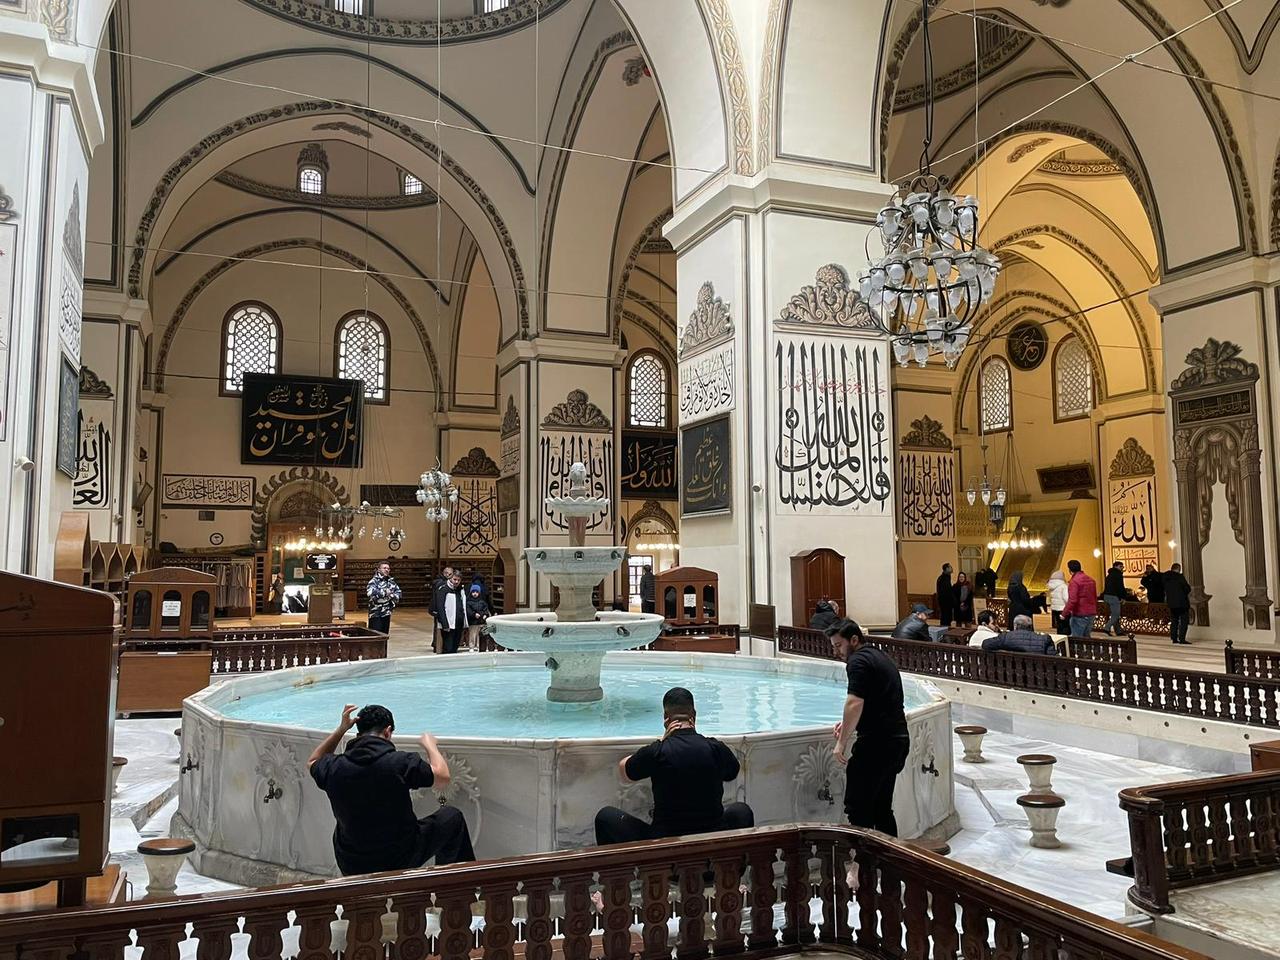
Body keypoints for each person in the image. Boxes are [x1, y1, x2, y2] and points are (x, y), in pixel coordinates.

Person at [308, 704, 474, 875]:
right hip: (398, 858)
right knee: (452, 818)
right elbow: (442, 777)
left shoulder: (335, 766)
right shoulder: (399, 763)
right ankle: (456, 886)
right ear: (387, 732)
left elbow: (313, 761)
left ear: (358, 735)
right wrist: (429, 745)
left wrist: (341, 730)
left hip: (352, 863)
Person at [593, 687, 753, 844]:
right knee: (741, 810)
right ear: (694, 715)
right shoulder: (716, 748)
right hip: (710, 837)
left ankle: (628, 870)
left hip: (665, 841)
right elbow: (732, 773)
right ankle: (730, 868)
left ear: (665, 717)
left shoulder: (658, 751)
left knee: (605, 816)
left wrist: (662, 741)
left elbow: (624, 771)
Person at [826, 619, 910, 836]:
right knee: (882, 808)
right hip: (897, 740)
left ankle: (862, 866)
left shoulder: (858, 662)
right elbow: (878, 701)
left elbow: (855, 702)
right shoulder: (878, 655)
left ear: (854, 640)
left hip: (877, 745)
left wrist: (841, 743)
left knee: (858, 808)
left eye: (838, 646)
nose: (836, 652)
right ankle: (889, 863)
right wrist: (847, 724)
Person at [983, 615, 1058, 655]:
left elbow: (985, 644)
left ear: (1015, 626)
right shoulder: (1044, 639)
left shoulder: (1005, 637)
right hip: (1037, 678)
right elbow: (1052, 659)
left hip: (1012, 676)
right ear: (1031, 626)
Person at [1061, 559, 1098, 637]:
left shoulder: (1074, 581)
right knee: (1086, 637)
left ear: (1070, 570)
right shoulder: (1091, 580)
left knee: (1077, 638)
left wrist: (1064, 614)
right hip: (1091, 612)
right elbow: (1094, 597)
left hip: (1080, 613)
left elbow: (1073, 600)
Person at [434, 571, 468, 654]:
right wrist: (444, 624)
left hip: (458, 623)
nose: (456, 582)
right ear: (450, 578)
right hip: (448, 624)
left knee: (455, 647)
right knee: (448, 647)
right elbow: (440, 608)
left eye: (458, 580)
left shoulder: (460, 590)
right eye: (454, 579)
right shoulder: (443, 589)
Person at [366, 562, 401, 634]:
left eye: (388, 568)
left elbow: (398, 593)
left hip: (386, 613)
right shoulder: (373, 581)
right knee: (375, 635)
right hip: (375, 614)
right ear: (379, 570)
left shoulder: (391, 582)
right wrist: (385, 592)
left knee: (385, 635)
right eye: (384, 568)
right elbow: (370, 593)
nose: (387, 570)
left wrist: (390, 595)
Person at [1164, 562, 1191, 645]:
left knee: (1174, 620)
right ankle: (1182, 639)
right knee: (1184, 621)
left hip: (1171, 603)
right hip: (1182, 603)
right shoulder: (1180, 577)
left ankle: (1174, 638)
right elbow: (1187, 588)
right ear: (1178, 569)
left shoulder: (1165, 577)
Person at [430, 566, 454, 653]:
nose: (450, 576)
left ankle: (437, 644)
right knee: (439, 626)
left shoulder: (442, 582)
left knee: (439, 626)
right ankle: (437, 645)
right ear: (444, 573)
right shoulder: (440, 583)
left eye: (451, 574)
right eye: (448, 574)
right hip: (438, 608)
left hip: (442, 608)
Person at [1102, 561, 1126, 637]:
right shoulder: (1118, 575)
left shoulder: (1109, 575)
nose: (1122, 568)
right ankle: (1106, 628)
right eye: (1120, 566)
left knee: (1114, 614)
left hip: (1106, 596)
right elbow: (1120, 587)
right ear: (1116, 566)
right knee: (1116, 614)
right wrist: (1123, 597)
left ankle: (1118, 631)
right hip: (1113, 597)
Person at [464, 584, 490, 652]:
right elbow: (468, 611)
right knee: (472, 635)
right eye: (473, 592)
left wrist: (485, 615)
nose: (475, 594)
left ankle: (479, 645)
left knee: (480, 635)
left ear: (479, 593)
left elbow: (485, 610)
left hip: (481, 621)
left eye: (476, 592)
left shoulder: (482, 602)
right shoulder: (469, 602)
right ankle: (471, 646)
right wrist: (474, 614)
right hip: (473, 622)